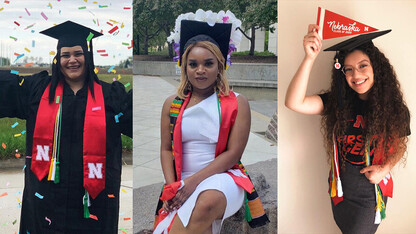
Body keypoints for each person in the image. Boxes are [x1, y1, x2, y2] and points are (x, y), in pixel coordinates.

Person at [0, 21, 132, 233]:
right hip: (46, 201)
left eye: (78, 54)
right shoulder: (37, 90)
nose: (72, 60)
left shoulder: (110, 96)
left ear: (87, 58)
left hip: (92, 204)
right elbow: (6, 86)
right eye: (65, 55)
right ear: (57, 59)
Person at [285, 24, 410, 233]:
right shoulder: (339, 103)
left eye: (363, 66)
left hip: (370, 191)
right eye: (348, 69)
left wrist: (384, 169)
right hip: (340, 188)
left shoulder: (395, 109)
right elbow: (294, 102)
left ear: (376, 68)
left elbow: (401, 145)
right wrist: (309, 58)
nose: (356, 74)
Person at [152, 10, 269, 234]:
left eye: (208, 63)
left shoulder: (237, 103)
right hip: (181, 181)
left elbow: (233, 154)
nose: (200, 70)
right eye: (193, 64)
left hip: (223, 178)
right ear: (184, 67)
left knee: (205, 204)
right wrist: (171, 187)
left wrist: (192, 184)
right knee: (200, 226)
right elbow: (166, 149)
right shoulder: (172, 104)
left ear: (220, 65)